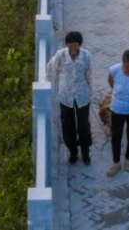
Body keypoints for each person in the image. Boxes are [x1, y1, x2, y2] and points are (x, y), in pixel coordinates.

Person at [47, 31, 93, 165]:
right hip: (65, 96)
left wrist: (90, 91)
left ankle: (85, 151)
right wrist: (49, 85)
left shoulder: (86, 55)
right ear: (67, 45)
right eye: (70, 45)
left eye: (75, 45)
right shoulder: (60, 55)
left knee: (84, 125)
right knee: (67, 125)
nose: (73, 48)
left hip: (82, 95)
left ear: (80, 45)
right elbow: (50, 70)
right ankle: (73, 151)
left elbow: (89, 74)